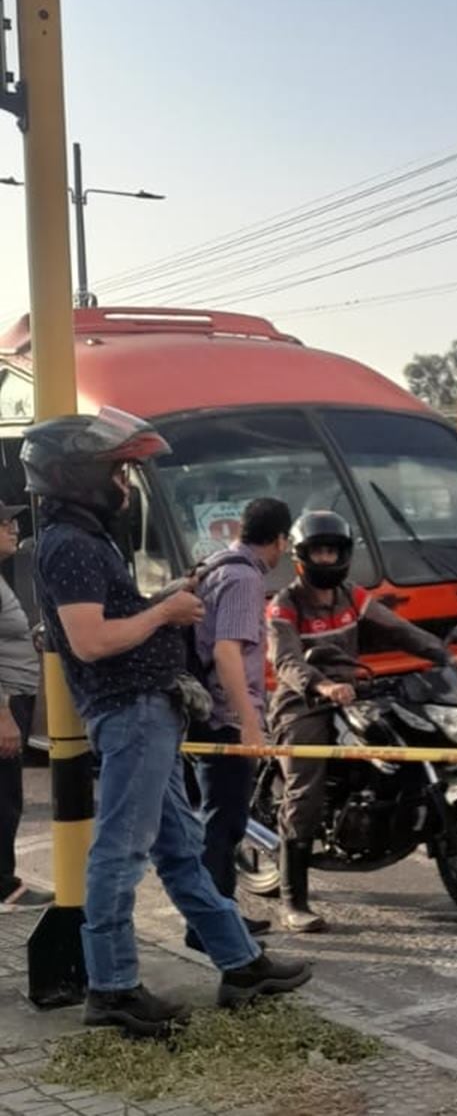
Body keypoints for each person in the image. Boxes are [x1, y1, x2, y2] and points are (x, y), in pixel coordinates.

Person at [25, 408, 309, 1036]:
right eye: (117, 471)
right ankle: (112, 987)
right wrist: (163, 615)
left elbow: (107, 620)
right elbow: (92, 640)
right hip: (131, 714)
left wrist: (165, 597)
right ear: (78, 476)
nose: (125, 485)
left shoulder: (82, 539)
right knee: (120, 852)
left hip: (147, 712)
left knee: (181, 852)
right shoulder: (72, 545)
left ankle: (241, 964)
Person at [267, 508, 457, 932]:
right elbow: (286, 661)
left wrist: (443, 656)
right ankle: (293, 901)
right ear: (301, 557)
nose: (326, 558)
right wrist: (322, 686)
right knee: (305, 790)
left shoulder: (352, 596)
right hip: (302, 702)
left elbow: (400, 630)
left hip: (355, 691)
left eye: (333, 551)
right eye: (319, 551)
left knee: (407, 737)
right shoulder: (284, 605)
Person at [186, 497, 293, 950]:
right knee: (222, 823)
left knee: (221, 819)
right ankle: (211, 927)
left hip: (208, 711)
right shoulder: (244, 578)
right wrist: (249, 724)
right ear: (281, 540)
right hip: (225, 717)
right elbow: (227, 651)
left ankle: (219, 916)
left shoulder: (216, 565)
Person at [0, 503, 52, 911]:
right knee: (4, 798)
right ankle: (4, 884)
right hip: (5, 703)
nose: (14, 527)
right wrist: (2, 714)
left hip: (14, 696)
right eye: (4, 523)